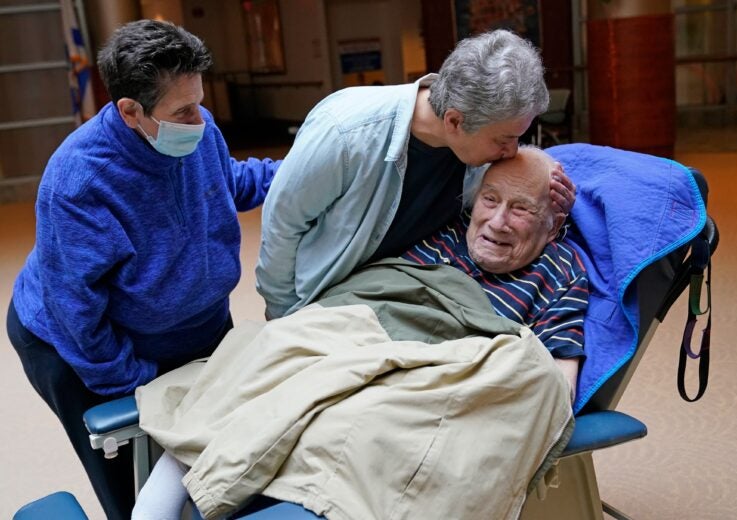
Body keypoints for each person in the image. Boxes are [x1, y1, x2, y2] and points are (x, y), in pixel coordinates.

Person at [132, 146, 587, 520]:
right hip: (360, 321)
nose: (497, 220)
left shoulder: (561, 269)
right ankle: (165, 495)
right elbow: (369, 288)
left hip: (435, 365)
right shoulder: (442, 228)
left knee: (361, 418)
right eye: (491, 199)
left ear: (552, 226)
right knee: (266, 349)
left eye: (522, 209)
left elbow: (554, 384)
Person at [5, 20, 280, 519]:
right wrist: (141, 382)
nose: (199, 120)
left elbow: (229, 182)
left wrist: (298, 169)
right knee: (138, 486)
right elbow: (78, 317)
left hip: (192, 326)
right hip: (80, 344)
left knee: (226, 466)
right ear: (130, 111)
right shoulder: (79, 183)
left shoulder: (195, 128)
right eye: (182, 110)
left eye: (199, 101)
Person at [256, 29, 577, 320]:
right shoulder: (344, 132)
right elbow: (282, 226)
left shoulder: (476, 143)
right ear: (454, 122)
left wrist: (552, 199)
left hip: (400, 296)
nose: (511, 151)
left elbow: (511, 204)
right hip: (326, 300)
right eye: (504, 139)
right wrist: (284, 314)